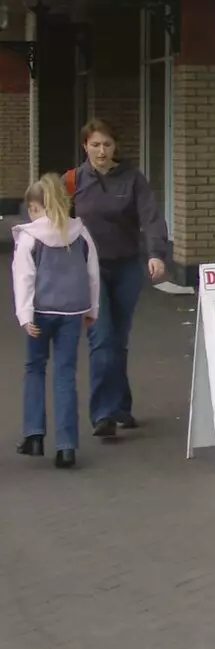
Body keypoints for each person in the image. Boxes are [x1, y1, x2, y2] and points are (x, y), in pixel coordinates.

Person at [70, 118, 169, 440]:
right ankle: (104, 414)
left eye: (107, 145)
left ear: (116, 147)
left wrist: (155, 253)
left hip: (125, 266)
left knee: (118, 339)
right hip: (89, 270)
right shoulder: (72, 182)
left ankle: (121, 405)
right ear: (85, 146)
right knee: (101, 339)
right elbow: (50, 218)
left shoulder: (132, 179)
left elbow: (151, 218)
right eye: (95, 145)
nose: (101, 151)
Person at [13, 174, 100, 469]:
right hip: (73, 313)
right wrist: (93, 309)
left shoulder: (29, 237)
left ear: (36, 207)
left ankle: (34, 434)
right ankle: (66, 447)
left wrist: (24, 315)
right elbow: (92, 274)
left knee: (35, 368)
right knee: (65, 375)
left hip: (40, 312)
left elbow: (23, 278)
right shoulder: (79, 232)